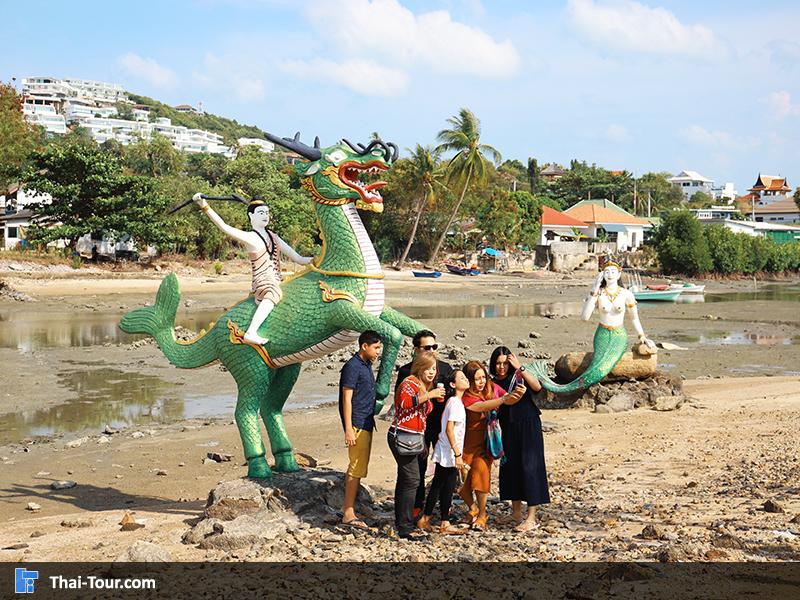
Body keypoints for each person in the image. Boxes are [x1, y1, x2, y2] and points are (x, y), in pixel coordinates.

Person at [193, 194, 313, 346]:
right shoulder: (250, 237)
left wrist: (320, 258)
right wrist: (204, 205)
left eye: (267, 213)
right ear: (251, 215)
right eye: (261, 213)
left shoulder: (274, 237)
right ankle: (251, 332)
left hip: (278, 279)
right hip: (263, 282)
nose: (265, 216)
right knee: (273, 293)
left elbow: (299, 259)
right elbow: (224, 227)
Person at [528, 261, 656, 393]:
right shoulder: (598, 293)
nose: (610, 275)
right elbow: (585, 317)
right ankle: (559, 387)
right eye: (606, 272)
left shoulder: (626, 294)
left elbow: (634, 318)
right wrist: (594, 290)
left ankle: (565, 388)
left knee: (603, 368)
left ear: (619, 274)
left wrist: (642, 337)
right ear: (602, 275)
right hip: (602, 334)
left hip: (619, 336)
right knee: (596, 365)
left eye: (613, 272)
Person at [459, 360, 526, 531]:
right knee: (464, 486)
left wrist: (518, 394)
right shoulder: (465, 395)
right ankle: (473, 508)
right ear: (469, 380)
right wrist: (503, 399)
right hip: (466, 443)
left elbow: (508, 400)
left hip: (486, 441)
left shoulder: (492, 387)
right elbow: (481, 406)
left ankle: (482, 515)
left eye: (483, 377)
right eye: (476, 379)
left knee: (481, 476)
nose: (481, 382)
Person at [394, 330, 454, 519]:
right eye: (427, 347)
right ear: (416, 349)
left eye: (434, 346)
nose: (432, 350)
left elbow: (454, 395)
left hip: (440, 425)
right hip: (415, 429)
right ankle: (415, 507)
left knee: (446, 467)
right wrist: (428, 395)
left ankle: (444, 508)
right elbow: (401, 401)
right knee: (415, 470)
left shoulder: (444, 368)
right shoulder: (407, 372)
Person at [490, 346, 550, 532]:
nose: (501, 367)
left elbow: (537, 387)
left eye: (505, 363)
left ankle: (531, 517)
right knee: (511, 466)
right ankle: (516, 512)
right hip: (508, 426)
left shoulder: (518, 376)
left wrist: (520, 367)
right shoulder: (492, 383)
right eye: (498, 363)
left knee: (530, 466)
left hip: (528, 424)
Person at [388, 351, 445, 539]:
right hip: (401, 436)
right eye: (428, 368)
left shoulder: (423, 386)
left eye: (434, 369)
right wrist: (429, 395)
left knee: (406, 479)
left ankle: (402, 522)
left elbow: (421, 417)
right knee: (412, 479)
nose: (432, 372)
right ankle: (405, 526)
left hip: (413, 438)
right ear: (419, 368)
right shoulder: (410, 383)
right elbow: (405, 403)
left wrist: (422, 440)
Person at [338, 330, 382, 529]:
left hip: (366, 421)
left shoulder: (366, 364)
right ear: (364, 346)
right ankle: (348, 512)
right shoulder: (352, 366)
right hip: (357, 423)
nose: (378, 351)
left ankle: (349, 508)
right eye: (376, 347)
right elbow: (346, 399)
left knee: (360, 466)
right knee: (355, 467)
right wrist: (348, 428)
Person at [417, 370, 470, 535]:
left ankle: (428, 519)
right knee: (445, 485)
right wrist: (457, 454)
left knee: (441, 484)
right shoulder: (454, 403)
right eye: (462, 378)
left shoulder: (454, 402)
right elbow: (449, 429)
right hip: (449, 451)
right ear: (453, 384)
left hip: (447, 449)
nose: (466, 379)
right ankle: (441, 522)